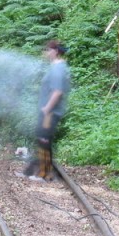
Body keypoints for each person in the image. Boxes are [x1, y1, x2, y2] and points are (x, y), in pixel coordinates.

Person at [25, 39, 71, 181]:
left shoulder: (58, 69)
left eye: (47, 50)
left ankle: (44, 174)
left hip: (50, 113)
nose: (45, 53)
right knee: (41, 138)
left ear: (55, 51)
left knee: (44, 139)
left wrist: (47, 108)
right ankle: (32, 171)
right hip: (48, 112)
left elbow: (57, 92)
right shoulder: (56, 67)